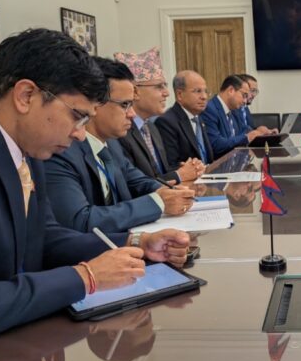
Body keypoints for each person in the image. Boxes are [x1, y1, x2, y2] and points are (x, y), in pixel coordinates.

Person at [0, 29, 190, 347]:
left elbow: (44, 237)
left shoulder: (27, 143)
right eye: (77, 116)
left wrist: (135, 243)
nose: (81, 134)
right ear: (26, 96)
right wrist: (85, 278)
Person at [44, 57, 195, 233]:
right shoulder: (61, 150)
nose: (132, 114)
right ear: (95, 103)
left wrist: (170, 192)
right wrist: (158, 202)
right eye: (125, 105)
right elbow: (80, 221)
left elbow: (137, 182)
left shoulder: (112, 144)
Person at [114, 47, 204, 182]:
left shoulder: (152, 127)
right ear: (136, 92)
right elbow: (136, 185)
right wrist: (179, 175)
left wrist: (188, 168)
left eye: (165, 86)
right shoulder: (121, 132)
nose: (167, 93)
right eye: (159, 86)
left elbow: (160, 172)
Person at [201, 75, 273, 159]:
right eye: (244, 95)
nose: (245, 101)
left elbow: (243, 130)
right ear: (231, 90)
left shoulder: (232, 109)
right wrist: (247, 137)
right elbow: (216, 144)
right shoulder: (210, 109)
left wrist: (261, 133)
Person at [156, 70, 215, 165]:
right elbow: (172, 164)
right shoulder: (167, 122)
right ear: (180, 94)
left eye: (205, 91)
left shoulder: (198, 118)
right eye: (197, 91)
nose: (204, 97)